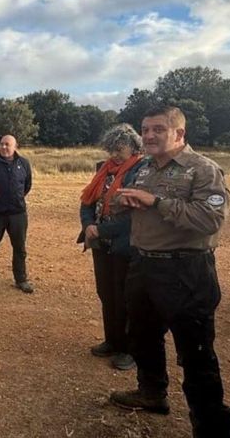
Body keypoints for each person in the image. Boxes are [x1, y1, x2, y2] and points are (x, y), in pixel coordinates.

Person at [111, 106, 230, 437]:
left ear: (179, 133)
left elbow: (210, 220)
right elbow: (125, 205)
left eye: (157, 129)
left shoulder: (203, 170)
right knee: (142, 335)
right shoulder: (144, 168)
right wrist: (124, 203)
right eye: (145, 129)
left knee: (195, 353)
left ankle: (212, 428)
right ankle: (151, 393)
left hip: (186, 270)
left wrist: (155, 202)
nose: (148, 136)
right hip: (144, 265)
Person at [77, 124, 143, 371]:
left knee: (126, 296)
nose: (115, 154)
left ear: (133, 148)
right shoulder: (104, 170)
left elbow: (136, 214)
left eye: (120, 149)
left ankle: (129, 349)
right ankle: (113, 341)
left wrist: (100, 229)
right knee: (106, 293)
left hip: (125, 243)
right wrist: (88, 225)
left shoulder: (141, 170)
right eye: (111, 149)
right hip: (100, 242)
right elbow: (86, 202)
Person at [0, 135, 34, 293]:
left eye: (7, 144)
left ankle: (21, 279)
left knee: (20, 247)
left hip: (17, 213)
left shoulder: (23, 163)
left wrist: (16, 199)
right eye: (2, 144)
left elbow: (27, 185)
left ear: (15, 146)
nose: (4, 147)